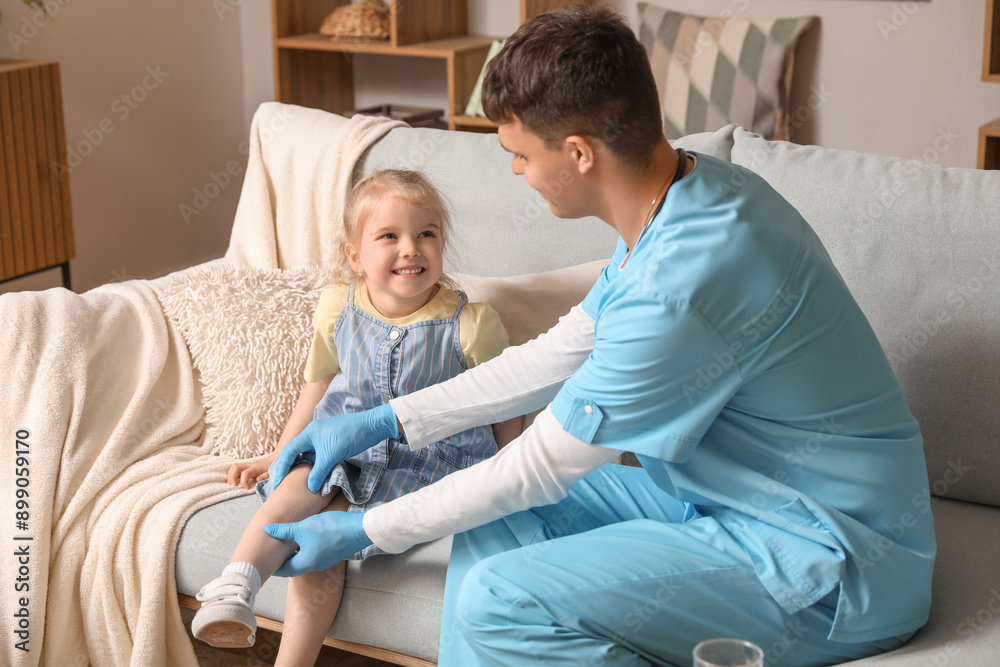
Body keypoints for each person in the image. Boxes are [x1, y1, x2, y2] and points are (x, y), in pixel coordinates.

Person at [263, 7, 936, 666]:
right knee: (487, 521)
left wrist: (363, 529)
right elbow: (559, 350)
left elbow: (539, 465)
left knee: (500, 598)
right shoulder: (684, 195)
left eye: (521, 153)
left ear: (578, 153)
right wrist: (385, 420)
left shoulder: (681, 283)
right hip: (727, 501)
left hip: (833, 561)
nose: (516, 171)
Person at [190, 169, 521, 666]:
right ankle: (235, 585)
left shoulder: (471, 324)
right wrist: (280, 453)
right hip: (340, 448)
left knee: (326, 540)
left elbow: (503, 403)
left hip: (425, 461)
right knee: (297, 489)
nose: (410, 248)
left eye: (425, 234)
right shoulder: (336, 309)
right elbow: (318, 385)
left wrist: (508, 472)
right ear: (355, 256)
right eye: (389, 236)